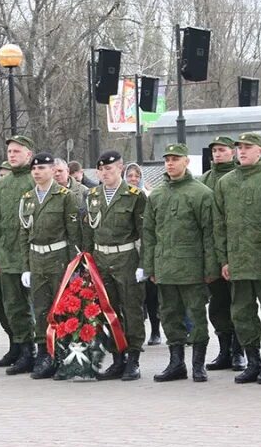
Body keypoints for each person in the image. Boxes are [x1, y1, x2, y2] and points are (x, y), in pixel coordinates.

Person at [214, 132, 261, 385]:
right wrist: (224, 260)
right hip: (238, 262)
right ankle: (252, 361)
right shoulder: (225, 183)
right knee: (242, 315)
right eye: (239, 148)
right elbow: (219, 225)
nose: (242, 151)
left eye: (248, 147)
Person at [143, 143, 217, 382]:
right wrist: (150, 267)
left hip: (192, 268)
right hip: (165, 268)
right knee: (169, 315)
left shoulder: (201, 193)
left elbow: (210, 233)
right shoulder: (157, 194)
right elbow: (149, 234)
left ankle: (198, 364)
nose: (170, 163)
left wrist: (210, 268)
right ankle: (176, 363)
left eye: (175, 159)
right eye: (167, 159)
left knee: (196, 315)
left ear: (186, 161)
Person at [83, 150, 147, 381]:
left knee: (131, 310)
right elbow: (88, 232)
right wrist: (87, 262)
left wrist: (144, 264)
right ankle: (117, 358)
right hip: (101, 260)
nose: (104, 173)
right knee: (107, 311)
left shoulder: (134, 195)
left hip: (126, 259)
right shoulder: (92, 195)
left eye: (109, 168)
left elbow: (144, 233)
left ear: (120, 168)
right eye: (100, 169)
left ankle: (133, 359)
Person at [20, 152, 81, 379]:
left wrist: (74, 265)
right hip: (37, 260)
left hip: (59, 259)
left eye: (42, 169)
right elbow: (23, 234)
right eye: (34, 169)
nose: (37, 172)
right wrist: (26, 266)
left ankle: (64, 357)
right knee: (41, 309)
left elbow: (74, 233)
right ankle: (45, 354)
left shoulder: (65, 196)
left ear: (52, 170)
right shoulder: (27, 198)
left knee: (62, 309)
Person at [199, 136, 246, 372]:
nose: (217, 154)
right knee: (218, 305)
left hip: (235, 250)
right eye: (214, 150)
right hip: (211, 252)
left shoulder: (238, 177)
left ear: (233, 152)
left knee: (238, 302)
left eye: (222, 150)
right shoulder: (205, 179)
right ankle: (224, 349)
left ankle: (239, 351)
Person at [0, 135, 37, 374]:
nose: (12, 155)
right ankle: (21, 349)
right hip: (7, 254)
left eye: (17, 151)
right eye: (10, 151)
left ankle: (38, 350)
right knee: (12, 306)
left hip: (30, 254)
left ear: (28, 155)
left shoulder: (34, 180)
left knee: (33, 305)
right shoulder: (2, 185)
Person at [124, 162, 161, 345]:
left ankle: (155, 330)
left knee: (152, 295)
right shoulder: (122, 197)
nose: (133, 179)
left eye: (136, 176)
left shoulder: (148, 196)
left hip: (145, 248)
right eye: (130, 175)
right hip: (128, 251)